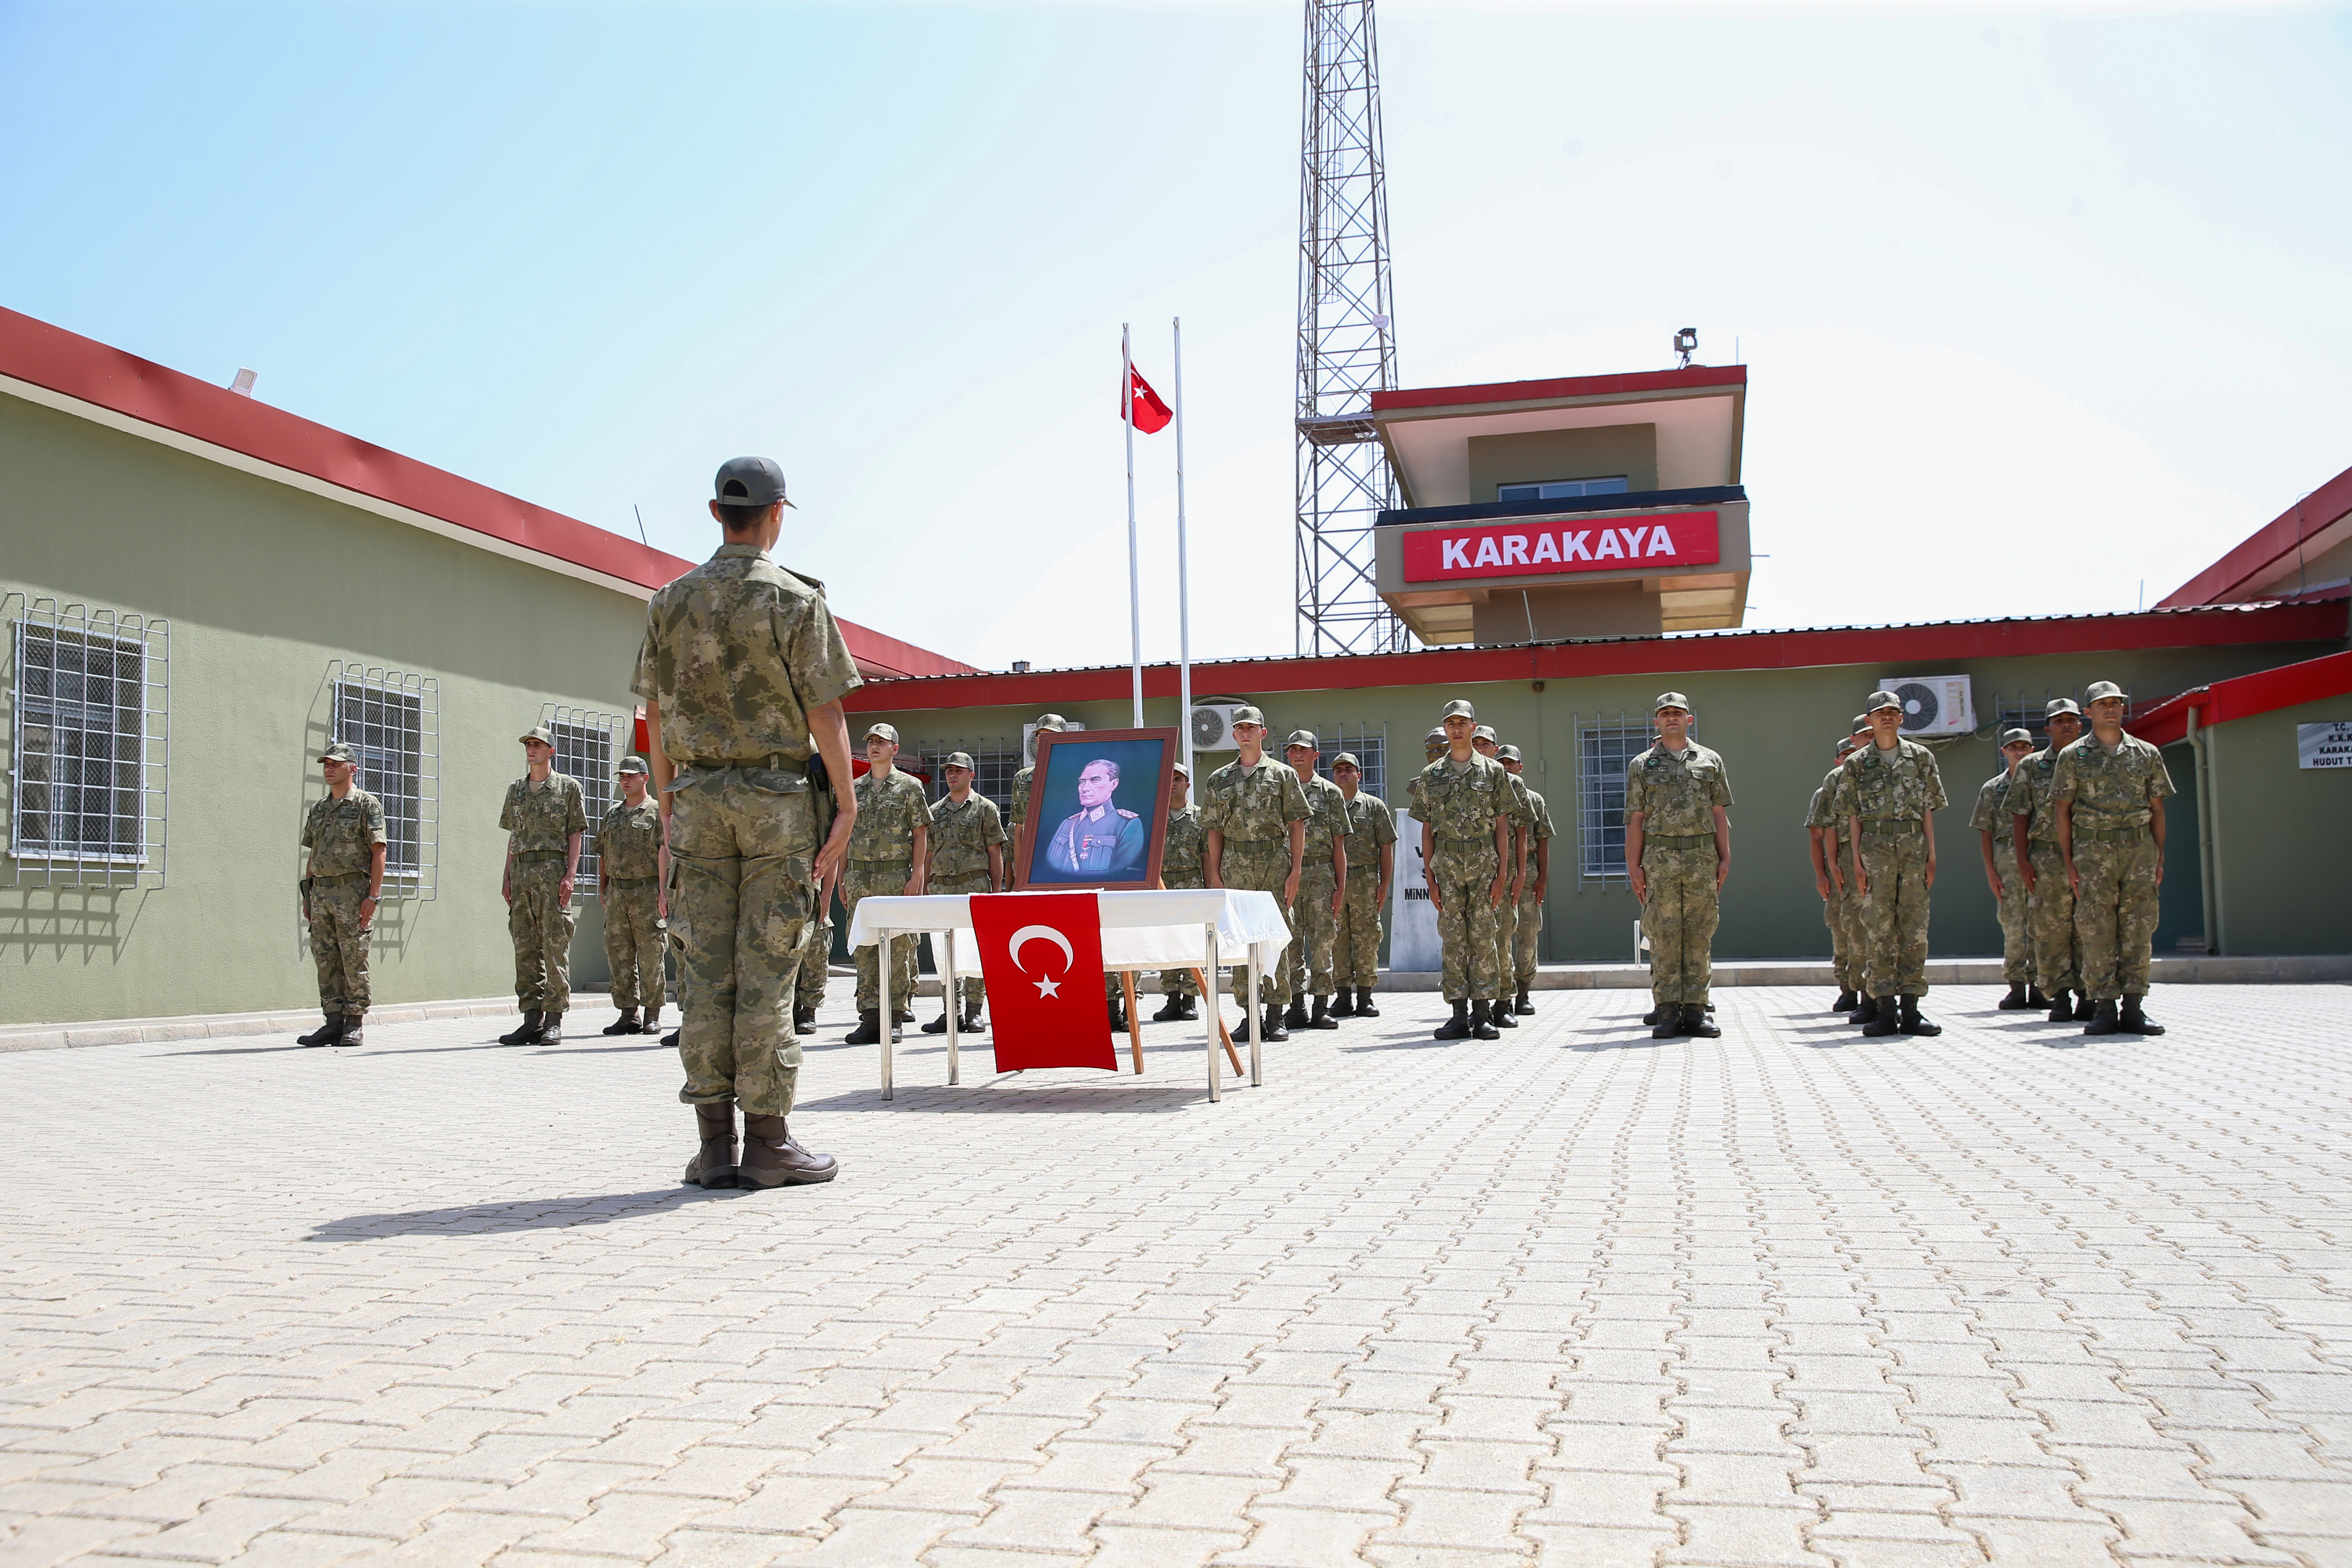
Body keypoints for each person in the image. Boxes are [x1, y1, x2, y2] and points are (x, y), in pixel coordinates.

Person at [636, 455, 857, 1190]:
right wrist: (848, 804)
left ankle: (712, 1145)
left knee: (702, 968)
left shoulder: (669, 601)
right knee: (768, 965)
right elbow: (824, 712)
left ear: (714, 512)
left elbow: (654, 714)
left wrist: (670, 805)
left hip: (697, 800)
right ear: (776, 513)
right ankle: (767, 1141)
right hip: (775, 803)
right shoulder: (795, 600)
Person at [2055, 680, 2175, 1036]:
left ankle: (2135, 1006)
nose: (2111, 708)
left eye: (2116, 703)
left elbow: (2157, 809)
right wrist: (2069, 861)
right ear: (2088, 712)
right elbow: (2063, 811)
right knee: (2097, 929)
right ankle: (2104, 1007)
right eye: (2102, 703)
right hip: (2093, 851)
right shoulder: (2073, 756)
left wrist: (2159, 856)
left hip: (2139, 849)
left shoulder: (2146, 753)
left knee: (2139, 928)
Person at [1833, 689, 1949, 1037]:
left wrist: (1932, 854)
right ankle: (1884, 1008)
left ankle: (1911, 1007)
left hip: (1913, 847)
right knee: (1878, 928)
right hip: (1874, 848)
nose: (1887, 717)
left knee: (1914, 929)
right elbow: (1852, 816)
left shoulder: (1922, 758)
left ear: (1902, 718)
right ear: (1869, 720)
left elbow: (1929, 809)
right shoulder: (1856, 764)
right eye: (1880, 713)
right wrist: (1856, 861)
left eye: (1893, 712)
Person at [1625, 693, 1733, 1040]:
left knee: (1700, 934)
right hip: (1659, 859)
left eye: (1678, 713)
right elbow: (1635, 819)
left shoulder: (1710, 760)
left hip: (1702, 857)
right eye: (1665, 713)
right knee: (1664, 935)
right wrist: (1634, 865)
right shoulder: (1642, 765)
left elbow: (1719, 812)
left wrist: (1725, 857)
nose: (1671, 718)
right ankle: (1669, 1011)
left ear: (1689, 720)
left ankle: (1697, 1011)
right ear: (1656, 722)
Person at [1200, 705, 1311, 1043]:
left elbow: (1296, 824)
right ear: (1233, 735)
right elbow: (1214, 831)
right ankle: (1251, 1014)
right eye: (1240, 728)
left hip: (1274, 862)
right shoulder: (1219, 779)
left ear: (1263, 733)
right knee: (1239, 938)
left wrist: (1295, 871)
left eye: (1252, 727)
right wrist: (1216, 875)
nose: (1245, 733)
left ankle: (1277, 1013)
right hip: (1235, 864)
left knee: (1274, 935)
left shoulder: (1282, 775)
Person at [1416, 700, 1513, 1041]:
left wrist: (1503, 872)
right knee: (1454, 940)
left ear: (1474, 727)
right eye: (1451, 723)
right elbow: (1427, 828)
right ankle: (1458, 1014)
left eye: (1463, 722)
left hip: (1485, 864)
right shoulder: (1432, 775)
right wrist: (1430, 877)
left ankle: (1483, 1014)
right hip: (1448, 867)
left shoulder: (1493, 772)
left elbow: (1502, 825)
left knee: (1484, 937)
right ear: (1446, 729)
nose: (1457, 728)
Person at [498, 727, 588, 1046]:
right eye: (528, 745)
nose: (531, 749)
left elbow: (576, 832)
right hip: (522, 874)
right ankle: (531, 1019)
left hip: (553, 873)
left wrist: (571, 874)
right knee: (525, 948)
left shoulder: (568, 788)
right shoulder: (516, 791)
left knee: (554, 947)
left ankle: (554, 1019)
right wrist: (507, 874)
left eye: (537, 745)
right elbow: (513, 835)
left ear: (551, 751)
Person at [841, 722, 929, 1045]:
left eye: (882, 742)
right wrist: (842, 877)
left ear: (894, 748)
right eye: (871, 742)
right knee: (864, 949)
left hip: (895, 877)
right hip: (859, 877)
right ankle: (869, 1018)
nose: (875, 746)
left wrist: (917, 874)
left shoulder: (910, 787)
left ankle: (893, 1018)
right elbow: (845, 835)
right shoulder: (854, 788)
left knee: (897, 948)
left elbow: (920, 832)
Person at [297, 740, 387, 1047]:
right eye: (326, 764)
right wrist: (308, 894)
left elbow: (379, 850)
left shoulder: (366, 805)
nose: (329, 768)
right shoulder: (319, 809)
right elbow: (314, 855)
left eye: (335, 764)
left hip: (352, 893)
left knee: (354, 959)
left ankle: (354, 1023)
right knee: (326, 958)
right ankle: (332, 1022)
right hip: (322, 894)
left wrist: (373, 896)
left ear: (352, 769)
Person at [2008, 698, 2092, 1024]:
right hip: (2045, 856)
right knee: (2050, 930)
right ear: (2048, 729)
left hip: (2088, 854)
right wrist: (2022, 860)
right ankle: (2058, 996)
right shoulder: (2032, 766)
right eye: (2059, 721)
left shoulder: (2091, 761)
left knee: (2088, 926)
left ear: (2081, 725)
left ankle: (2088, 994)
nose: (2067, 726)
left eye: (2072, 720)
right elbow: (2019, 815)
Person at [922, 752, 1005, 1034]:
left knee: (974, 950)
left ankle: (973, 1011)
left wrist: (996, 892)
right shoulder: (935, 811)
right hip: (941, 888)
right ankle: (951, 1011)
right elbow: (929, 854)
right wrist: (924, 887)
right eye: (949, 771)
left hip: (975, 886)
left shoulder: (986, 809)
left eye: (958, 771)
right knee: (944, 952)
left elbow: (995, 853)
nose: (952, 775)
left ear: (971, 775)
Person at [1281, 730, 1349, 1030]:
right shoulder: (1279, 789)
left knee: (1323, 942)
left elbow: (1339, 845)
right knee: (1291, 943)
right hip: (1287, 874)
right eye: (1293, 749)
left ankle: (1321, 1005)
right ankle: (1296, 1006)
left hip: (1321, 875)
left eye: (1304, 750)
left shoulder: (1330, 794)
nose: (1298, 754)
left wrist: (1341, 887)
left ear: (1315, 756)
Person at [598, 756, 669, 1036]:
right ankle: (628, 1013)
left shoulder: (656, 812)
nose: (625, 780)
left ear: (645, 778)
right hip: (617, 893)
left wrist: (664, 893)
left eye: (631, 776)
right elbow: (603, 852)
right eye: (622, 776)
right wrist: (602, 887)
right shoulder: (612, 814)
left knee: (651, 954)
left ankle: (652, 1013)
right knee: (619, 954)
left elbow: (665, 853)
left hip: (648, 892)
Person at [1471, 726, 1533, 1029]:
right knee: (1477, 942)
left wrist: (1520, 874)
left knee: (1503, 938)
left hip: (1504, 875)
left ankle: (1504, 1002)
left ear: (1496, 750)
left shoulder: (1512, 784)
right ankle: (1478, 1002)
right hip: (1473, 872)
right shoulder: (1466, 781)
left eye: (1486, 744)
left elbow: (1521, 833)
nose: (1481, 748)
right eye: (1476, 743)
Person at [1973, 728, 2039, 1011]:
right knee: (2013, 926)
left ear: (2033, 749)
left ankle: (2040, 985)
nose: (2020, 752)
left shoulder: (2042, 785)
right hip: (2007, 863)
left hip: (2039, 860)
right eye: (2014, 747)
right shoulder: (1992, 789)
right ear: (2005, 752)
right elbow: (1985, 832)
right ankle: (2016, 986)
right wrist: (1990, 871)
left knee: (2041, 925)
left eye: (2025, 746)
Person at [1328, 752, 1396, 1019]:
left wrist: (1385, 883)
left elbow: (1386, 847)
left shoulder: (1374, 806)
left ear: (1359, 774)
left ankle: (1365, 997)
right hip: (1334, 882)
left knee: (1367, 938)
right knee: (1338, 940)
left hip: (1366, 881)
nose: (1343, 774)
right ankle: (1343, 996)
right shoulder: (1328, 807)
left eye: (1348, 769)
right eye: (1338, 770)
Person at [1805, 737, 1866, 1012]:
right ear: (1838, 760)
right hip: (1840, 863)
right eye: (1846, 754)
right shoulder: (1827, 791)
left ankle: (1870, 989)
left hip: (1872, 857)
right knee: (1843, 928)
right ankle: (1847, 988)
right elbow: (1817, 837)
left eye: (1855, 753)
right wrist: (1822, 873)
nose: (1851, 758)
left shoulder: (1870, 785)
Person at [1496, 744, 1553, 1014]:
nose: (1507, 767)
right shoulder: (1491, 796)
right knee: (1501, 934)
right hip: (1499, 872)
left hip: (1528, 872)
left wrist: (1542, 878)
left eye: (1511, 763)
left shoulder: (1534, 800)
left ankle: (1524, 992)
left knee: (1528, 934)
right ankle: (1503, 992)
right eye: (1502, 763)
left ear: (1520, 767)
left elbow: (1542, 841)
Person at [1152, 762, 1207, 1021]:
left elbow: (1207, 855)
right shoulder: (1154, 818)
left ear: (1188, 784)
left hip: (1192, 884)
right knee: (1167, 942)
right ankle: (1172, 999)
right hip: (1163, 886)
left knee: (1192, 942)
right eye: (1169, 778)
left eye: (1179, 778)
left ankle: (1190, 999)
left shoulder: (1200, 817)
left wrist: (1210, 888)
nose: (1173, 783)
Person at [1044, 757, 1147, 877]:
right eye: (1082, 782)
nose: (1085, 788)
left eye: (1095, 780)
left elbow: (1123, 873)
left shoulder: (1127, 825)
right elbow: (1051, 865)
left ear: (1114, 784)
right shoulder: (1068, 824)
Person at [1006, 712, 1068, 885]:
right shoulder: (1023, 778)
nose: (1046, 739)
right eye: (1042, 735)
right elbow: (1019, 828)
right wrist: (1019, 867)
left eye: (1052, 735)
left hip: (1066, 856)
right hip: (1033, 858)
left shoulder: (1076, 775)